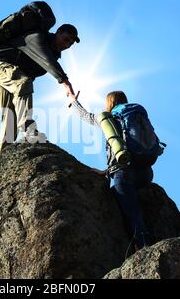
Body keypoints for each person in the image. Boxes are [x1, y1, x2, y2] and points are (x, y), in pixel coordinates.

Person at [69, 91, 153, 250]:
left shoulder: (107, 117)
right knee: (140, 207)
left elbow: (85, 116)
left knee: (132, 213)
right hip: (146, 172)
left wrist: (74, 101)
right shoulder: (135, 114)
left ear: (109, 103)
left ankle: (143, 248)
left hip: (123, 173)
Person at [0, 24, 80, 157]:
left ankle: (0, 162)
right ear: (58, 32)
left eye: (70, 43)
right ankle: (29, 130)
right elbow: (46, 59)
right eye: (66, 39)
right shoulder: (37, 37)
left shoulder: (53, 54)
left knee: (10, 122)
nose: (67, 45)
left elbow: (35, 70)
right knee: (23, 82)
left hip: (8, 73)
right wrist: (66, 84)